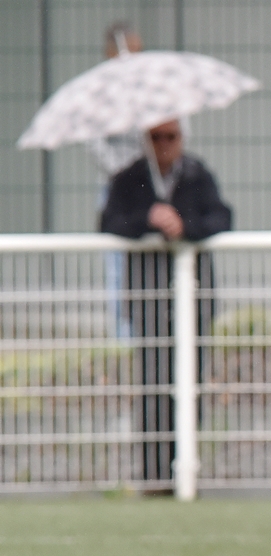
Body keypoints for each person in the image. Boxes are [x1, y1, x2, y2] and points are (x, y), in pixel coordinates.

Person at [100, 119, 232, 484]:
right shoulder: (129, 178)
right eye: (156, 137)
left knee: (191, 382)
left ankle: (186, 468)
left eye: (170, 136)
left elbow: (222, 217)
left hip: (194, 296)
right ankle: (154, 474)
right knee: (153, 382)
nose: (163, 144)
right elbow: (108, 222)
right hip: (148, 298)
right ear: (145, 139)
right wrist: (148, 219)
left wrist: (183, 225)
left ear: (181, 138)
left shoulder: (197, 173)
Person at [92, 21, 145, 340]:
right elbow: (95, 142)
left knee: (147, 264)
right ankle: (123, 338)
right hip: (115, 191)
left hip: (148, 190)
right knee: (116, 266)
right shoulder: (100, 93)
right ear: (111, 51)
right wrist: (124, 174)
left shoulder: (149, 88)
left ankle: (150, 332)